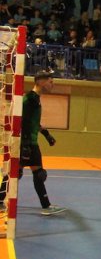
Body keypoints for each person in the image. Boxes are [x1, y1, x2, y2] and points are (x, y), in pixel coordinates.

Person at [0, 72, 66, 215]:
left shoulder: (35, 99)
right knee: (33, 173)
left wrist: (46, 134)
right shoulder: (29, 99)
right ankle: (46, 207)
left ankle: (1, 201)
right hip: (27, 142)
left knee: (23, 172)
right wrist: (24, 144)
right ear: (41, 82)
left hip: (29, 141)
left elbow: (33, 122)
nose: (52, 84)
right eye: (50, 81)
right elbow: (21, 121)